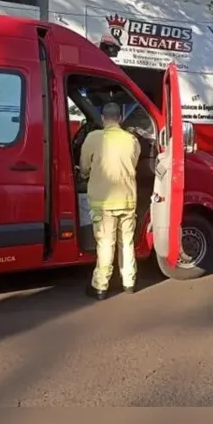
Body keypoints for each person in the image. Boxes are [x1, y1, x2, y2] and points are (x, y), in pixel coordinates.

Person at [79, 102, 141, 300]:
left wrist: (88, 173)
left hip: (103, 202)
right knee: (127, 242)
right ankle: (129, 282)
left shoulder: (93, 138)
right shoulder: (132, 140)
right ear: (120, 119)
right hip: (128, 200)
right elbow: (134, 163)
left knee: (106, 244)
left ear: (103, 118)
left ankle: (100, 286)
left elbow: (84, 168)